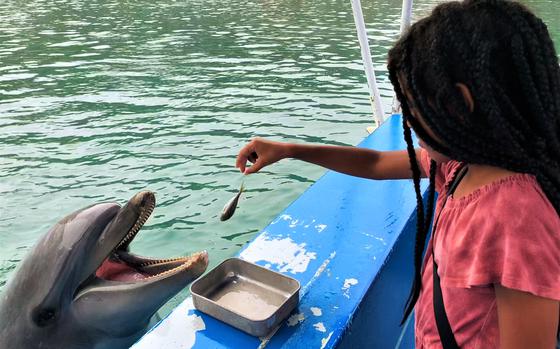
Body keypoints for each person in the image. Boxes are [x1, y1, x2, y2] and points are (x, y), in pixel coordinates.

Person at [235, 0, 560, 347]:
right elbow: (375, 164)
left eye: (412, 106)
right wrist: (290, 150)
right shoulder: (459, 166)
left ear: (457, 105)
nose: (406, 121)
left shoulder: (517, 217)